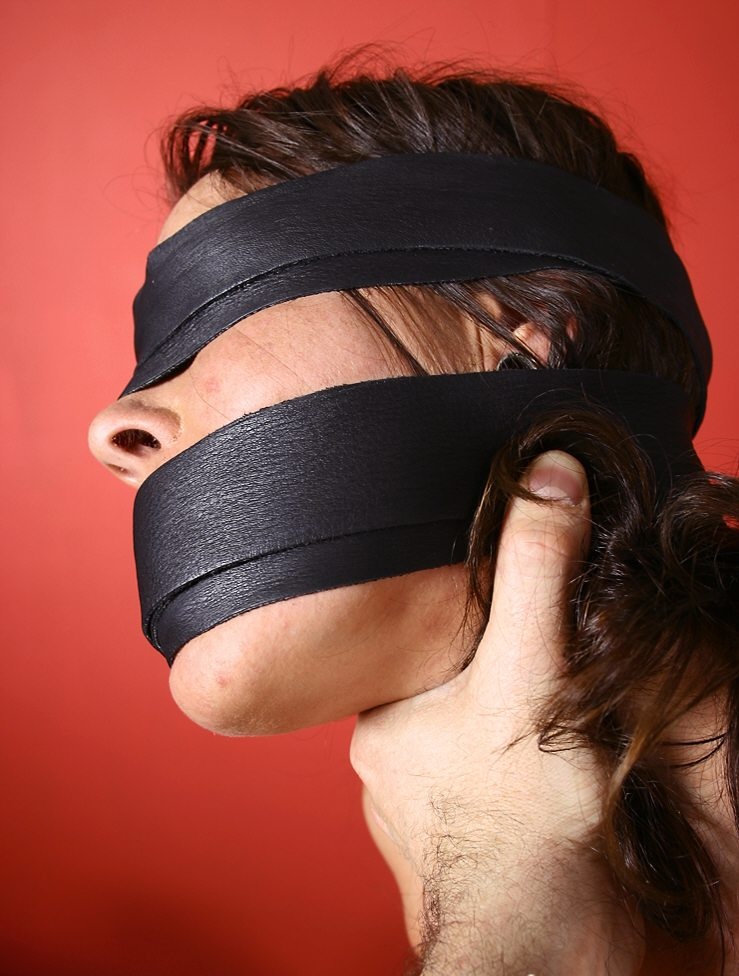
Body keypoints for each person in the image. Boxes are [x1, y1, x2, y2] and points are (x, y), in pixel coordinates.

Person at [88, 54, 739, 973]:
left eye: (206, 319)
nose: (110, 428)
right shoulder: (431, 849)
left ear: (520, 336)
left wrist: (512, 902)